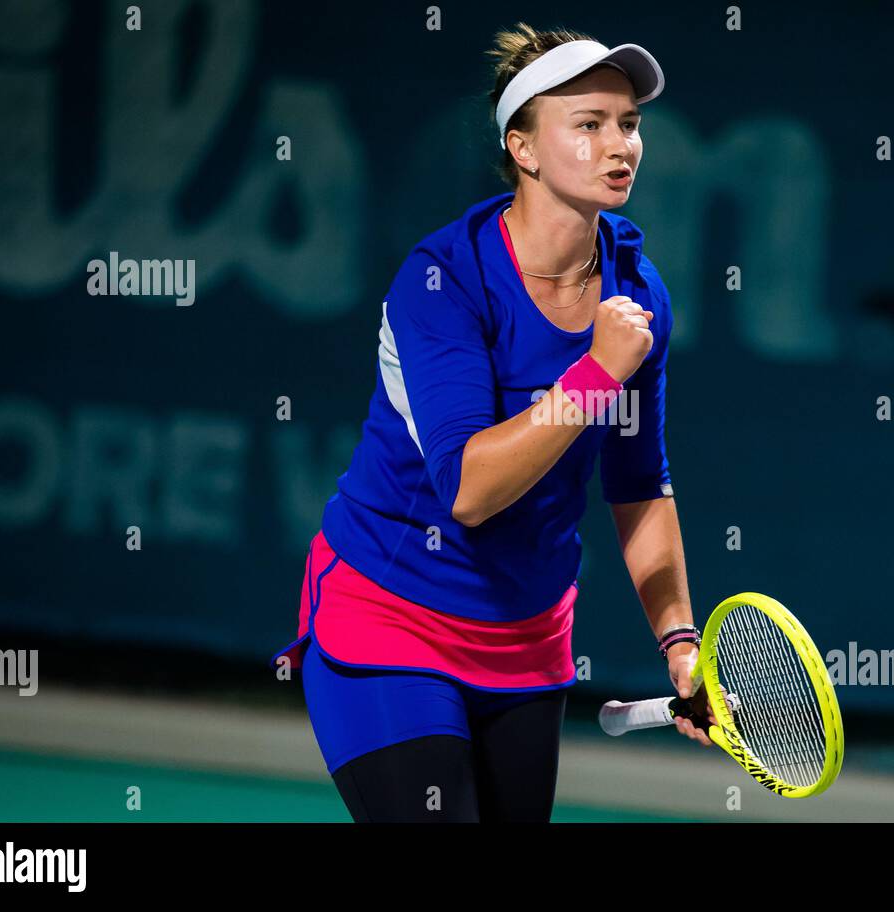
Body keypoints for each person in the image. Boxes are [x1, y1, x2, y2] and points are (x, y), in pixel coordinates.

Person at [272, 22, 709, 823]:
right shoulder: (441, 281)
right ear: (524, 148)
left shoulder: (639, 291)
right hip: (390, 617)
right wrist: (595, 372)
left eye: (629, 123)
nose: (621, 145)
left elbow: (640, 485)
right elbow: (469, 490)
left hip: (527, 639)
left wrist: (680, 644)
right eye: (589, 124)